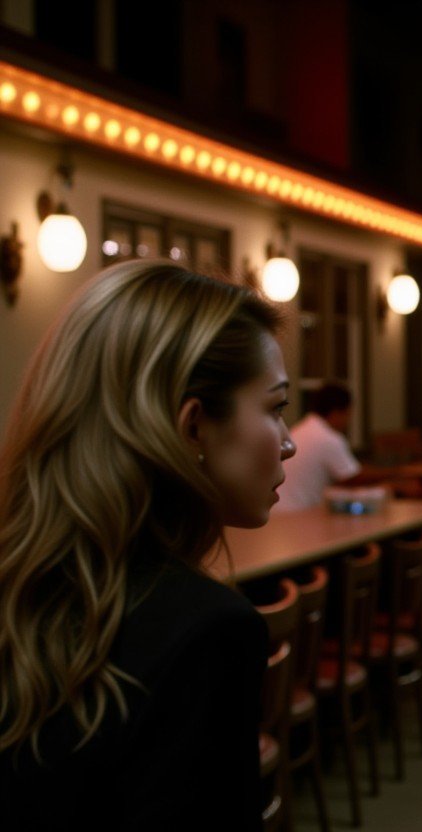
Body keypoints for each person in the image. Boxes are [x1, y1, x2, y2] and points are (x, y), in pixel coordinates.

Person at [0, 261, 296, 829]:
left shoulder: (23, 591)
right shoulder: (206, 632)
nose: (287, 444)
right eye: (275, 408)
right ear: (191, 428)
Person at [275, 381, 395, 511]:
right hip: (298, 515)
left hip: (278, 512)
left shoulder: (302, 428)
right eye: (349, 413)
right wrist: (397, 474)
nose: (348, 421)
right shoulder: (327, 437)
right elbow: (353, 478)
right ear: (338, 411)